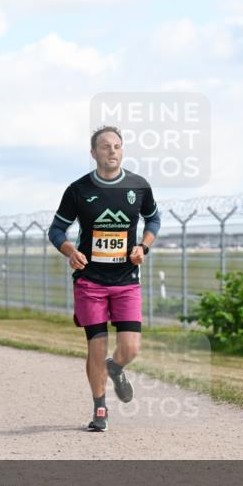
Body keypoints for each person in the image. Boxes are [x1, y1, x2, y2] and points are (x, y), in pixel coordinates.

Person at [48, 126, 161, 432]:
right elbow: (56, 230)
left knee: (131, 348)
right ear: (93, 153)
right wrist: (69, 249)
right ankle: (100, 406)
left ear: (122, 150)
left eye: (117, 146)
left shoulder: (139, 186)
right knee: (96, 347)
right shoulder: (78, 190)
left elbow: (154, 218)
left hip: (126, 280)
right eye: (105, 147)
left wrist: (143, 246)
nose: (112, 151)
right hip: (90, 281)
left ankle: (116, 367)